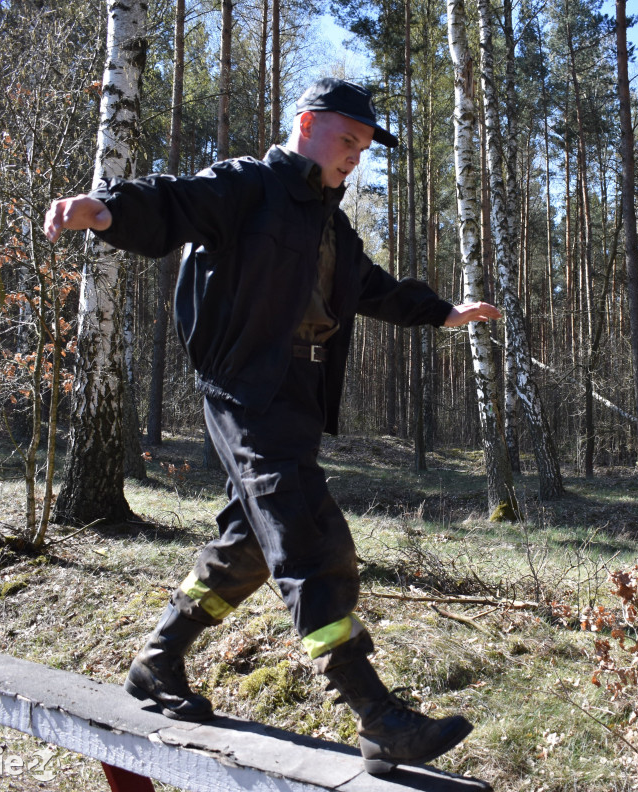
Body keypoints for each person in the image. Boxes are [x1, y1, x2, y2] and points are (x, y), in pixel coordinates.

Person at [44, 78, 501, 774]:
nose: (355, 157)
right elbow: (173, 200)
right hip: (246, 387)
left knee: (250, 544)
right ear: (307, 124)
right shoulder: (248, 186)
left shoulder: (331, 224)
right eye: (347, 140)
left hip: (297, 394)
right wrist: (104, 210)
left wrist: (443, 312)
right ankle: (377, 715)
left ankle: (157, 663)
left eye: (364, 148)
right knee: (310, 534)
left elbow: (369, 288)